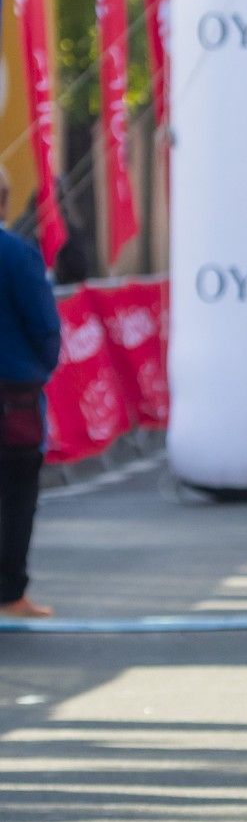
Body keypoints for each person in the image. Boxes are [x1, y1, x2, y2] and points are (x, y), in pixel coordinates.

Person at [0, 172, 63, 620]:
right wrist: (37, 369)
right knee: (16, 496)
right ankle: (9, 593)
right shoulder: (18, 255)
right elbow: (44, 327)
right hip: (12, 396)